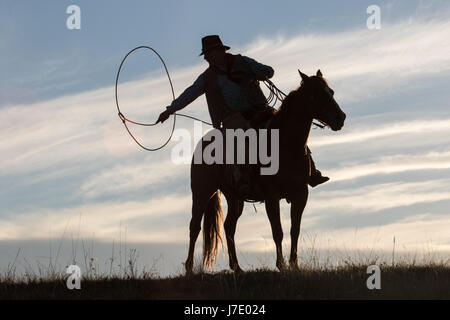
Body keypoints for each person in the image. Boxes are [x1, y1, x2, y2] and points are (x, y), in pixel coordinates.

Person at [157, 35, 328, 196]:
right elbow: (190, 94)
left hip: (261, 110)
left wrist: (264, 73)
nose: (206, 59)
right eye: (206, 55)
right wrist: (170, 110)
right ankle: (240, 177)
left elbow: (268, 70)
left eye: (208, 54)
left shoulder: (243, 62)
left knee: (290, 128)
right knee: (238, 138)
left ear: (219, 52)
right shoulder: (207, 77)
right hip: (233, 117)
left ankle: (311, 170)